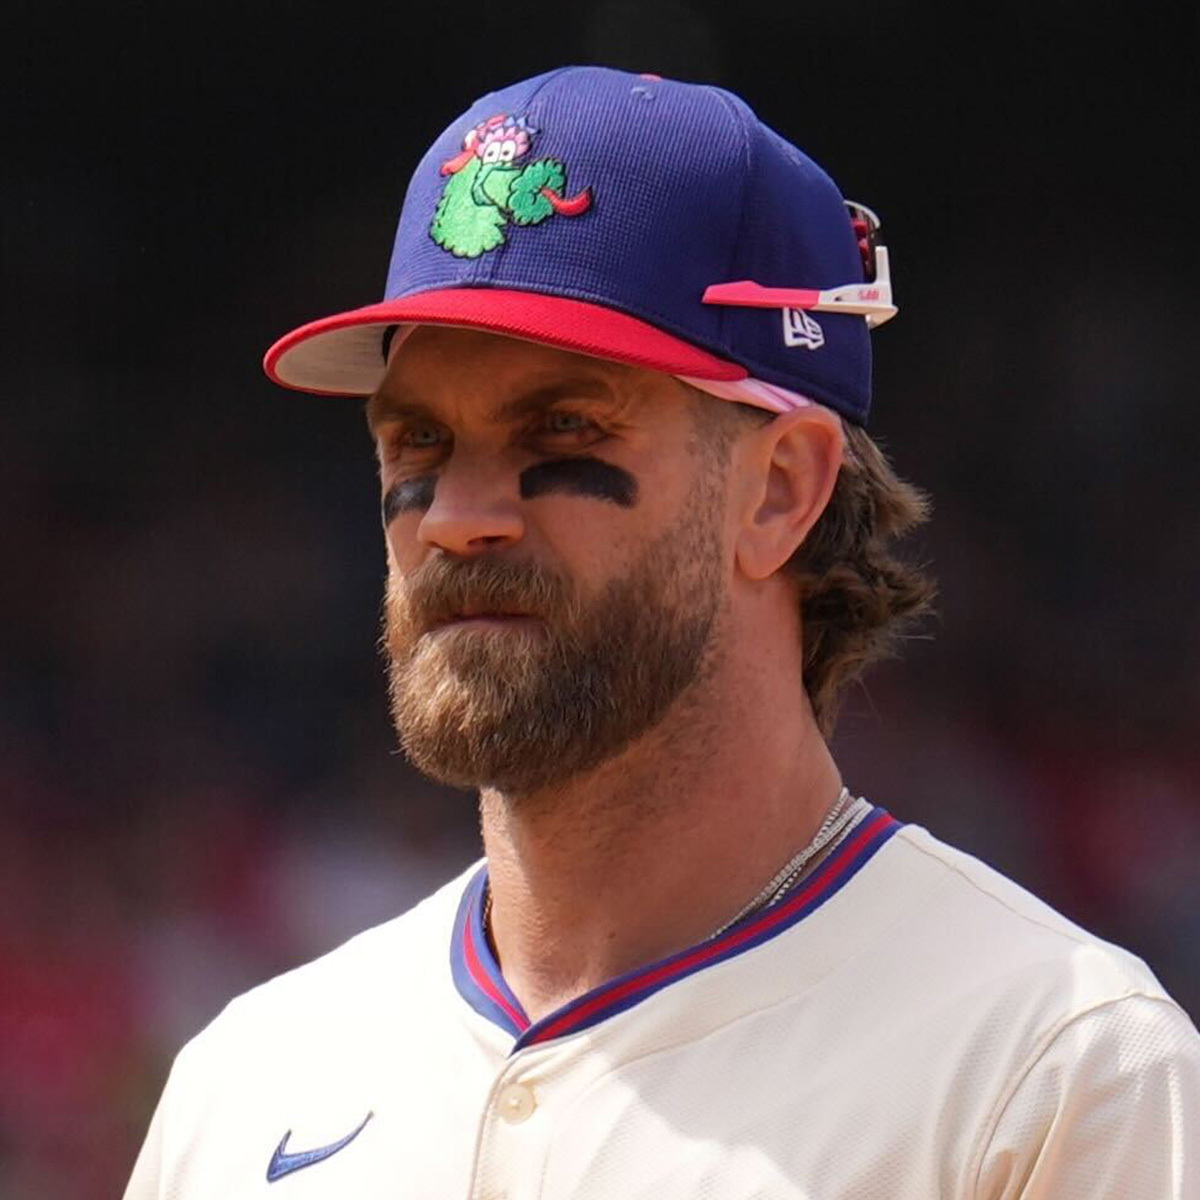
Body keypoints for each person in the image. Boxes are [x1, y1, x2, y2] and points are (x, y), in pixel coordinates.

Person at [124, 66, 1200, 1199]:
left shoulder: (1054, 1073)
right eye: (419, 442)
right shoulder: (246, 1084)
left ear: (779, 490)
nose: (455, 519)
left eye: (562, 426)